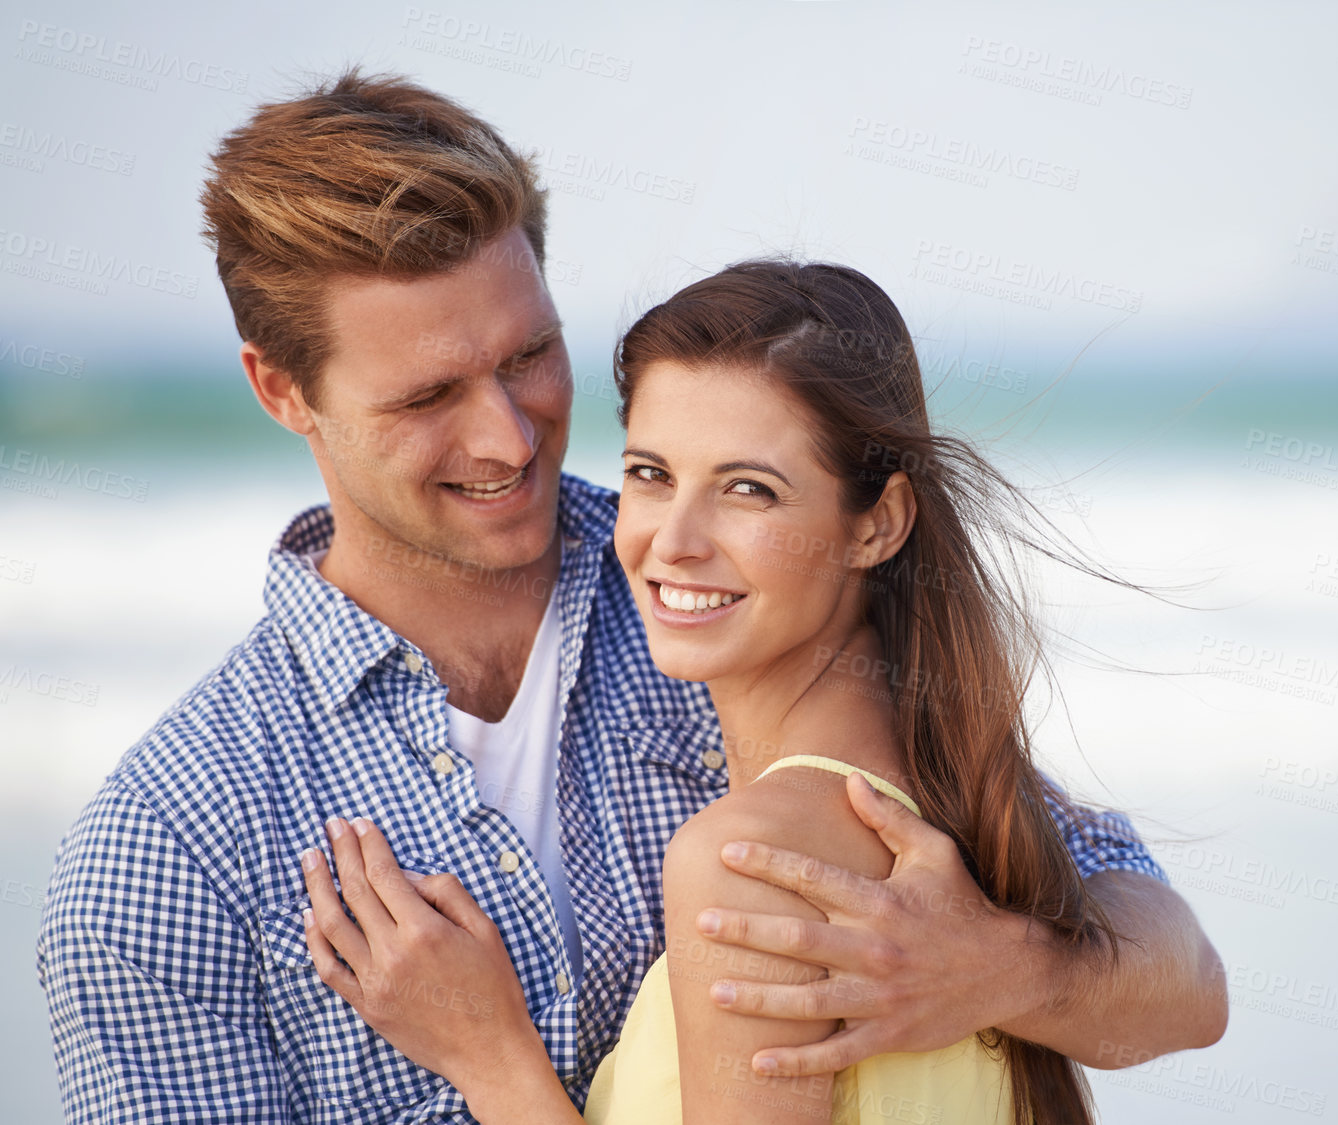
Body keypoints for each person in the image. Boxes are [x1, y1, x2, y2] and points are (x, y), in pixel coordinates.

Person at [35, 71, 1226, 1125]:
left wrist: (1008, 973)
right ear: (280, 390)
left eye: (526, 358)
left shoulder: (735, 607)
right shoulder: (175, 849)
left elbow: (1174, 980)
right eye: (426, 396)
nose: (505, 436)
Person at [299, 258, 1225, 1123]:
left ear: (877, 524)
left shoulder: (748, 858)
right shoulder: (958, 787)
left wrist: (493, 1061)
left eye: (748, 489)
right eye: (650, 474)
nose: (675, 539)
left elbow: (1193, 992)